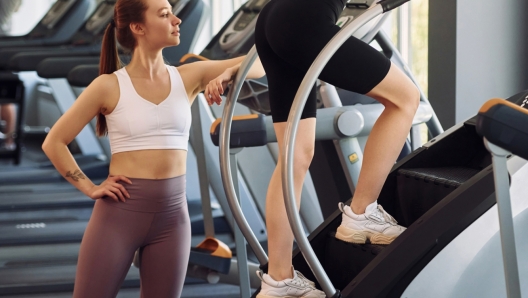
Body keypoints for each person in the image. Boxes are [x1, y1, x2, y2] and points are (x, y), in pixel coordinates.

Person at [41, 0, 264, 297]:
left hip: (173, 219)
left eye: (173, 11)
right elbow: (54, 141)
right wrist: (90, 187)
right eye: (164, 14)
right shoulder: (107, 86)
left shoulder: (189, 76)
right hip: (119, 217)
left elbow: (259, 64)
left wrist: (226, 74)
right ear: (138, 27)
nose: (177, 20)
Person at [253, 0, 419, 296]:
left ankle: (279, 281)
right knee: (405, 98)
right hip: (304, 20)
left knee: (294, 158)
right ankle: (362, 214)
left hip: (273, 19)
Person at [0, 0, 22, 151]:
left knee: (6, 98)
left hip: (3, 48)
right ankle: (8, 141)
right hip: (5, 45)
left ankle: (9, 142)